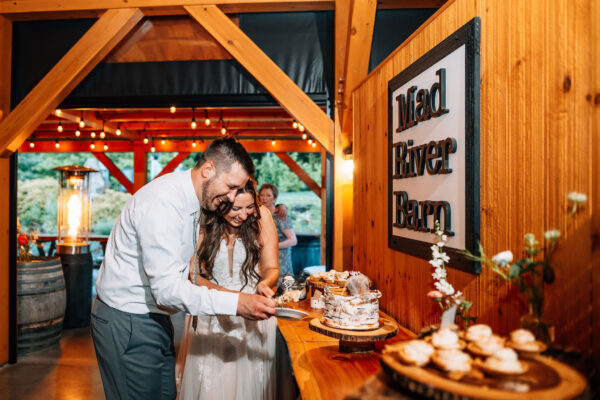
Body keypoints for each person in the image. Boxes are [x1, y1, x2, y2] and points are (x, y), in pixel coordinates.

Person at [92, 138, 276, 400]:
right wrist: (238, 303)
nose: (233, 197)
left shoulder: (194, 200)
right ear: (208, 170)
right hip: (128, 319)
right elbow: (167, 290)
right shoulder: (164, 204)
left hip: (155, 318)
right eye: (231, 187)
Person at [178, 179, 279, 399]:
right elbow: (192, 274)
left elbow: (271, 267)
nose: (244, 215)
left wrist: (265, 282)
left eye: (249, 207)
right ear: (222, 202)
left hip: (253, 315)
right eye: (236, 208)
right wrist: (233, 300)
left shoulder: (262, 218)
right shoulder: (203, 219)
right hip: (210, 312)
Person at [259, 183, 297, 281]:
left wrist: (272, 246)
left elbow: (293, 240)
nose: (264, 198)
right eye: (262, 195)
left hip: (281, 263)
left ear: (275, 199)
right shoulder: (257, 215)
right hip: (263, 263)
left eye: (268, 195)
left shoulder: (280, 215)